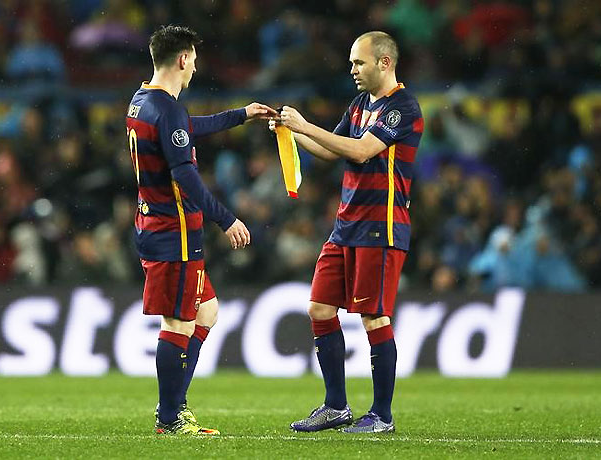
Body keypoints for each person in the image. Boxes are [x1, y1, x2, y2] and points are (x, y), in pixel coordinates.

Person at [271, 31, 424, 433]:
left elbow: (359, 151)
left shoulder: (403, 108)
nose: (352, 69)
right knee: (320, 309)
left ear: (384, 63)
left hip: (380, 226)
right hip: (346, 225)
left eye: (359, 62)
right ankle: (336, 406)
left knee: (373, 317)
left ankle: (382, 416)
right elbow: (332, 148)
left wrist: (307, 124)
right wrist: (294, 132)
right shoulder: (359, 105)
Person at [126, 25, 275, 435]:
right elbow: (186, 177)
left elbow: (189, 128)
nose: (195, 67)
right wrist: (227, 219)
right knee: (178, 322)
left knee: (206, 311)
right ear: (183, 59)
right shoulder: (167, 109)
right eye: (193, 59)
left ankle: (175, 404)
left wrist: (242, 114)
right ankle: (170, 416)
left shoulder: (143, 102)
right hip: (172, 231)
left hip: (154, 223)